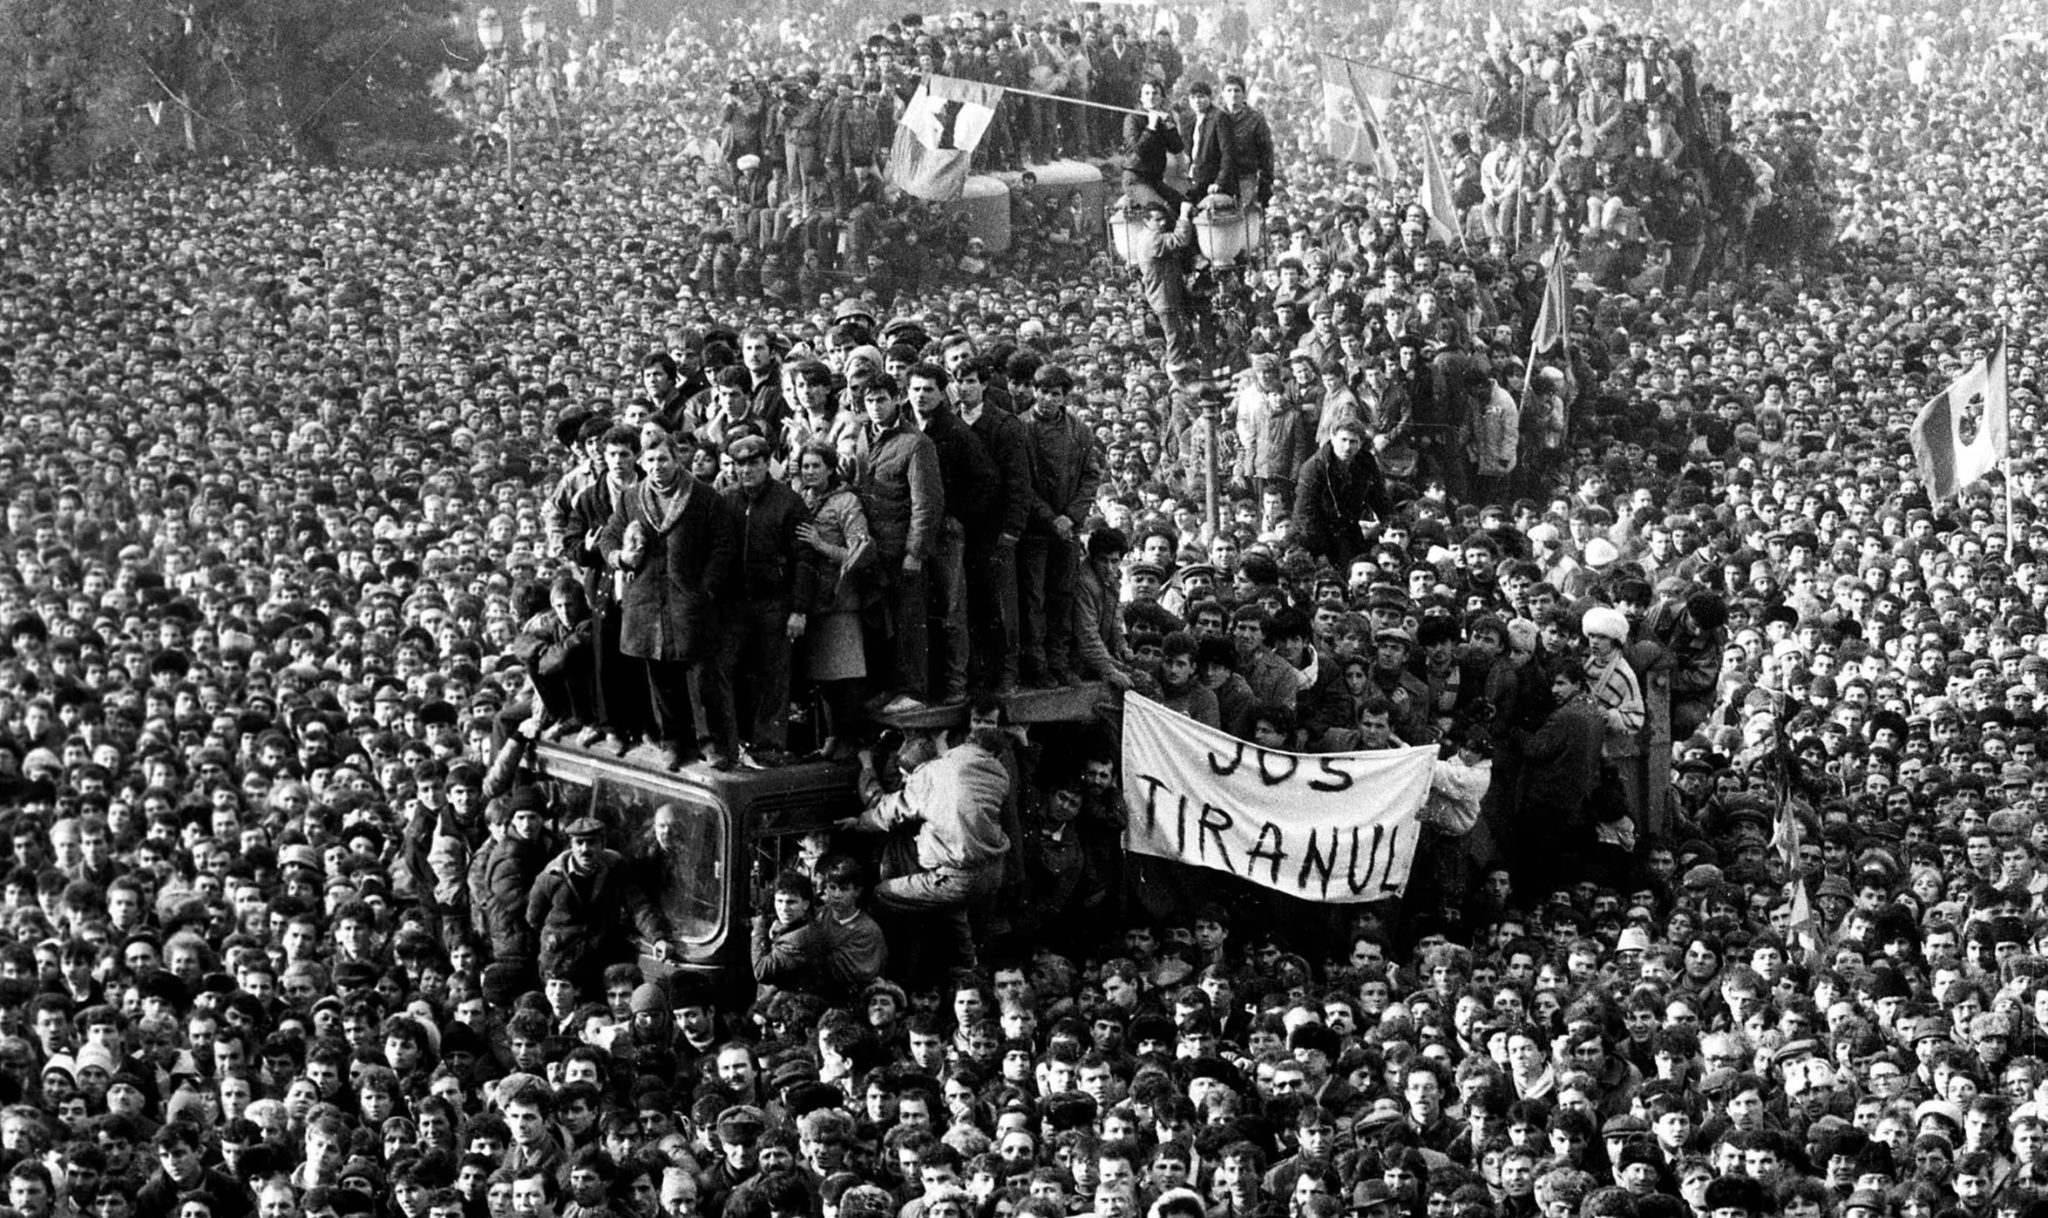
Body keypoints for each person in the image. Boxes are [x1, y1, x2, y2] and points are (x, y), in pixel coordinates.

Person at [601, 428, 740, 771]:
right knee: (660, 678)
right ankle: (672, 742)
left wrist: (706, 589)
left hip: (690, 603)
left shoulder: (705, 497)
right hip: (647, 602)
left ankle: (711, 744)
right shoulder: (631, 498)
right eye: (650, 460)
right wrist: (621, 557)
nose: (657, 466)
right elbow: (608, 538)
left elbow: (724, 547)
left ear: (677, 459)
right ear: (642, 462)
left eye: (663, 458)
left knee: (700, 676)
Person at [840, 729, 1010, 976]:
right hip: (991, 870)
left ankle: (884, 968)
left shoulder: (931, 775)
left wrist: (859, 821)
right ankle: (970, 969)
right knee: (956, 911)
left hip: (954, 875)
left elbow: (886, 809)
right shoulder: (997, 775)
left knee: (882, 893)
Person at [853, 374, 943, 712]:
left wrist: (915, 552)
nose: (875, 407)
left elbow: (927, 503)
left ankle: (913, 691)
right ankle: (888, 688)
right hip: (873, 550)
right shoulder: (865, 436)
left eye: (881, 400)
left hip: (902, 550)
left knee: (910, 622)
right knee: (880, 623)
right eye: (869, 400)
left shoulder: (916, 443)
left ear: (896, 399)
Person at [718, 434, 808, 768]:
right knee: (725, 668)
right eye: (740, 464)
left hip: (775, 602)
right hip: (734, 605)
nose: (747, 470)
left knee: (775, 674)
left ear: (766, 462)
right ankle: (730, 742)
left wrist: (799, 609)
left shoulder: (788, 502)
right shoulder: (725, 500)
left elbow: (805, 558)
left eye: (754, 462)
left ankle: (769, 745)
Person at [792, 443, 873, 759]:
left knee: (847, 676)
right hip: (811, 601)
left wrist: (820, 544)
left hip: (840, 601)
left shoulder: (846, 502)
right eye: (805, 466)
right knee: (823, 678)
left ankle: (849, 742)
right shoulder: (801, 499)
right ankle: (831, 739)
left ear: (830, 469)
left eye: (815, 466)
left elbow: (859, 553)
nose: (809, 472)